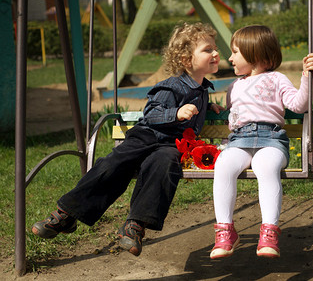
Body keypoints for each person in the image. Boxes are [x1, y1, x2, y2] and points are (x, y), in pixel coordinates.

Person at [32, 22, 224, 257]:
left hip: (169, 146)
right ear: (186, 60)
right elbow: (151, 114)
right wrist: (175, 113)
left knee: (164, 165)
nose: (215, 53)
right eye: (208, 49)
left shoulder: (203, 90)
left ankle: (135, 226)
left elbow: (195, 111)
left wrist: (210, 106)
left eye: (215, 48)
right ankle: (67, 214)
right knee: (115, 163)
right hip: (146, 137)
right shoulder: (171, 86)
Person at [210, 25, 313, 259]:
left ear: (255, 55)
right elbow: (233, 113)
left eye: (236, 52)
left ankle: (269, 232)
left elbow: (299, 105)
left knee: (265, 166)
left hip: (271, 140)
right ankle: (225, 232)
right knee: (223, 165)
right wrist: (218, 110)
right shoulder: (234, 86)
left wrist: (307, 77)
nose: (230, 58)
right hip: (240, 140)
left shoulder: (277, 79)